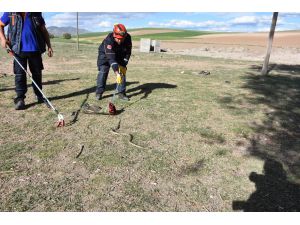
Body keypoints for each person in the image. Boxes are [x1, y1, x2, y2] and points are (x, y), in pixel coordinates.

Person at [0, 12, 53, 110]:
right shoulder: (10, 13)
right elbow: (0, 25)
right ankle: (20, 99)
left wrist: (49, 46)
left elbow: (43, 30)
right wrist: (3, 39)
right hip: (18, 50)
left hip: (35, 50)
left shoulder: (36, 13)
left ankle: (39, 95)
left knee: (37, 73)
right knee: (20, 75)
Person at [96, 23, 132, 101]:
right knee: (103, 71)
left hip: (119, 53)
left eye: (122, 38)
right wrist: (116, 72)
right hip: (105, 54)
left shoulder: (128, 38)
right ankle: (99, 92)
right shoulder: (109, 40)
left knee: (122, 72)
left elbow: (128, 52)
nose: (120, 40)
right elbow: (111, 58)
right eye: (118, 38)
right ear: (114, 35)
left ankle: (121, 93)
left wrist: (124, 64)